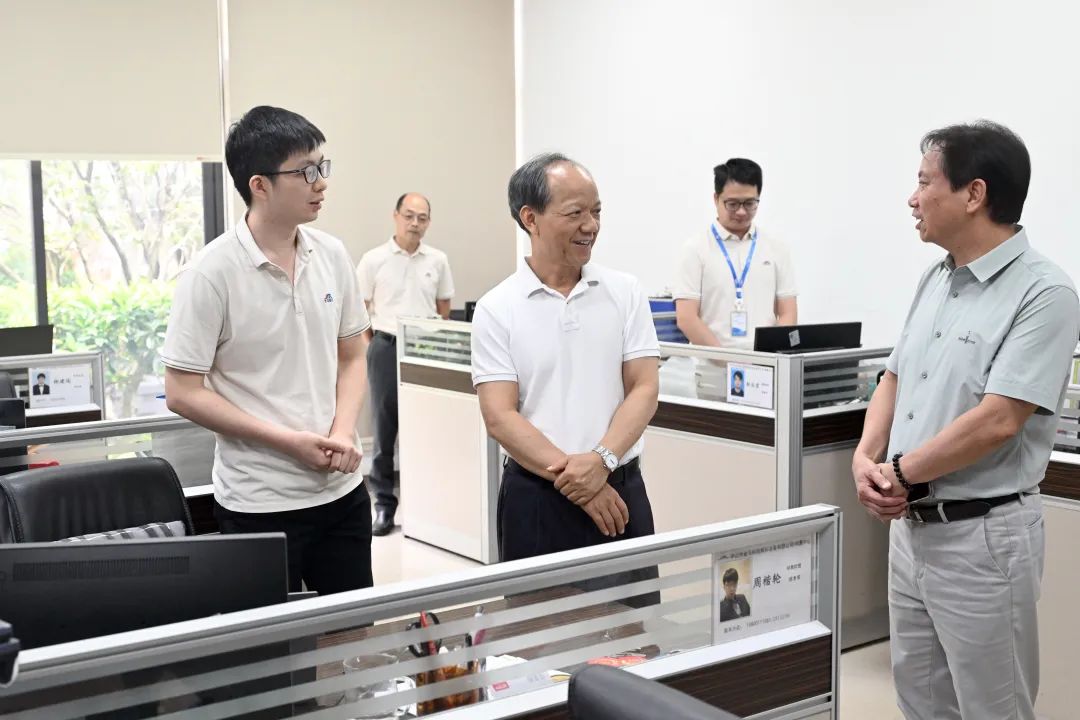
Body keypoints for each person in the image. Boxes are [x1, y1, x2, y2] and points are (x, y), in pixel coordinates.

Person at [852, 121, 1079, 720]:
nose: (913, 198)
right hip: (911, 531)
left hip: (983, 538)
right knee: (921, 703)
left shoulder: (1045, 293)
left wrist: (900, 472)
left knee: (992, 708)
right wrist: (866, 457)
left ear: (974, 194)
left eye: (924, 182)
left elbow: (999, 419)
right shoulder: (935, 278)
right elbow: (894, 378)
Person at [162, 106, 373, 595]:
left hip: (341, 494)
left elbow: (352, 355)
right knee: (272, 641)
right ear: (259, 185)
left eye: (323, 167)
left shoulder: (332, 254)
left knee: (353, 629)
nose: (322, 183)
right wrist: (288, 442)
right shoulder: (210, 273)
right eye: (306, 172)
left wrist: (343, 431)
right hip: (259, 501)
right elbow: (182, 391)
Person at [471, 153, 661, 603]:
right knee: (539, 635)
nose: (590, 226)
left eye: (596, 211)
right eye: (575, 213)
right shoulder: (497, 308)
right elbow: (500, 416)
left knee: (635, 632)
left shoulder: (624, 292)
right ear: (530, 218)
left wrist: (602, 462)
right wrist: (582, 484)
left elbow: (644, 387)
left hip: (620, 489)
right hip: (538, 497)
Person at [356, 193, 454, 536]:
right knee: (385, 431)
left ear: (429, 222)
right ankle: (384, 507)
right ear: (395, 216)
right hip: (386, 344)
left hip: (425, 348)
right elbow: (360, 308)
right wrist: (375, 345)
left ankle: (427, 507)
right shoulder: (374, 259)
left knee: (428, 428)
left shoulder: (437, 260)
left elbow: (443, 306)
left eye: (422, 218)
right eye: (409, 216)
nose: (415, 223)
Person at [673, 158, 798, 349]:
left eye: (749, 203)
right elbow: (686, 318)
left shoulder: (776, 248)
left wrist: (773, 356)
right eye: (732, 204)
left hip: (765, 363)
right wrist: (728, 360)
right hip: (710, 364)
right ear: (716, 199)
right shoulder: (695, 248)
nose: (741, 212)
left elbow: (788, 312)